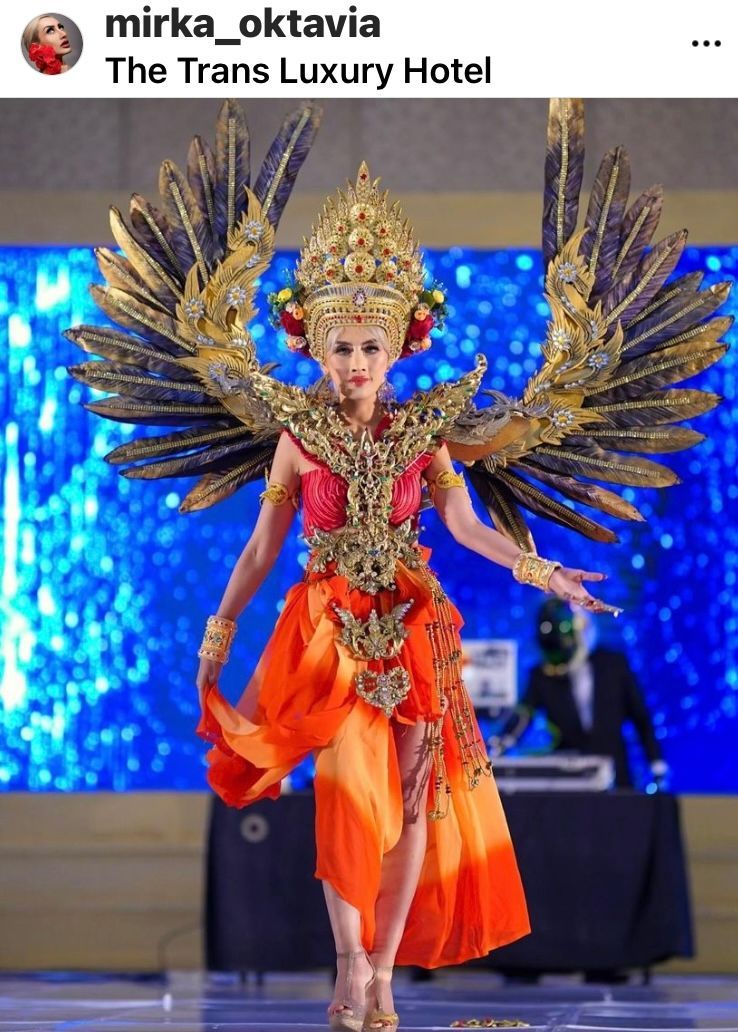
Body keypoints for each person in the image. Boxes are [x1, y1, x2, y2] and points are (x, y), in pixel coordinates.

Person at [65, 99, 728, 1032]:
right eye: (339, 347)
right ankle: (345, 967)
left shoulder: (431, 437)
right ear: (315, 345)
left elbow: (468, 528)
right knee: (345, 801)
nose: (354, 362)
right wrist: (219, 633)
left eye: (370, 346)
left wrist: (550, 575)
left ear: (398, 345)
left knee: (413, 804)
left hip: (414, 630)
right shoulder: (296, 437)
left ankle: (381, 972)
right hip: (328, 630)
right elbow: (261, 547)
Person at [522, 599, 668, 789]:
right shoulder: (542, 675)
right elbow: (524, 714)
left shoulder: (614, 665)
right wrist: (500, 745)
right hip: (568, 781)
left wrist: (656, 762)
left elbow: (641, 717)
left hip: (615, 776)